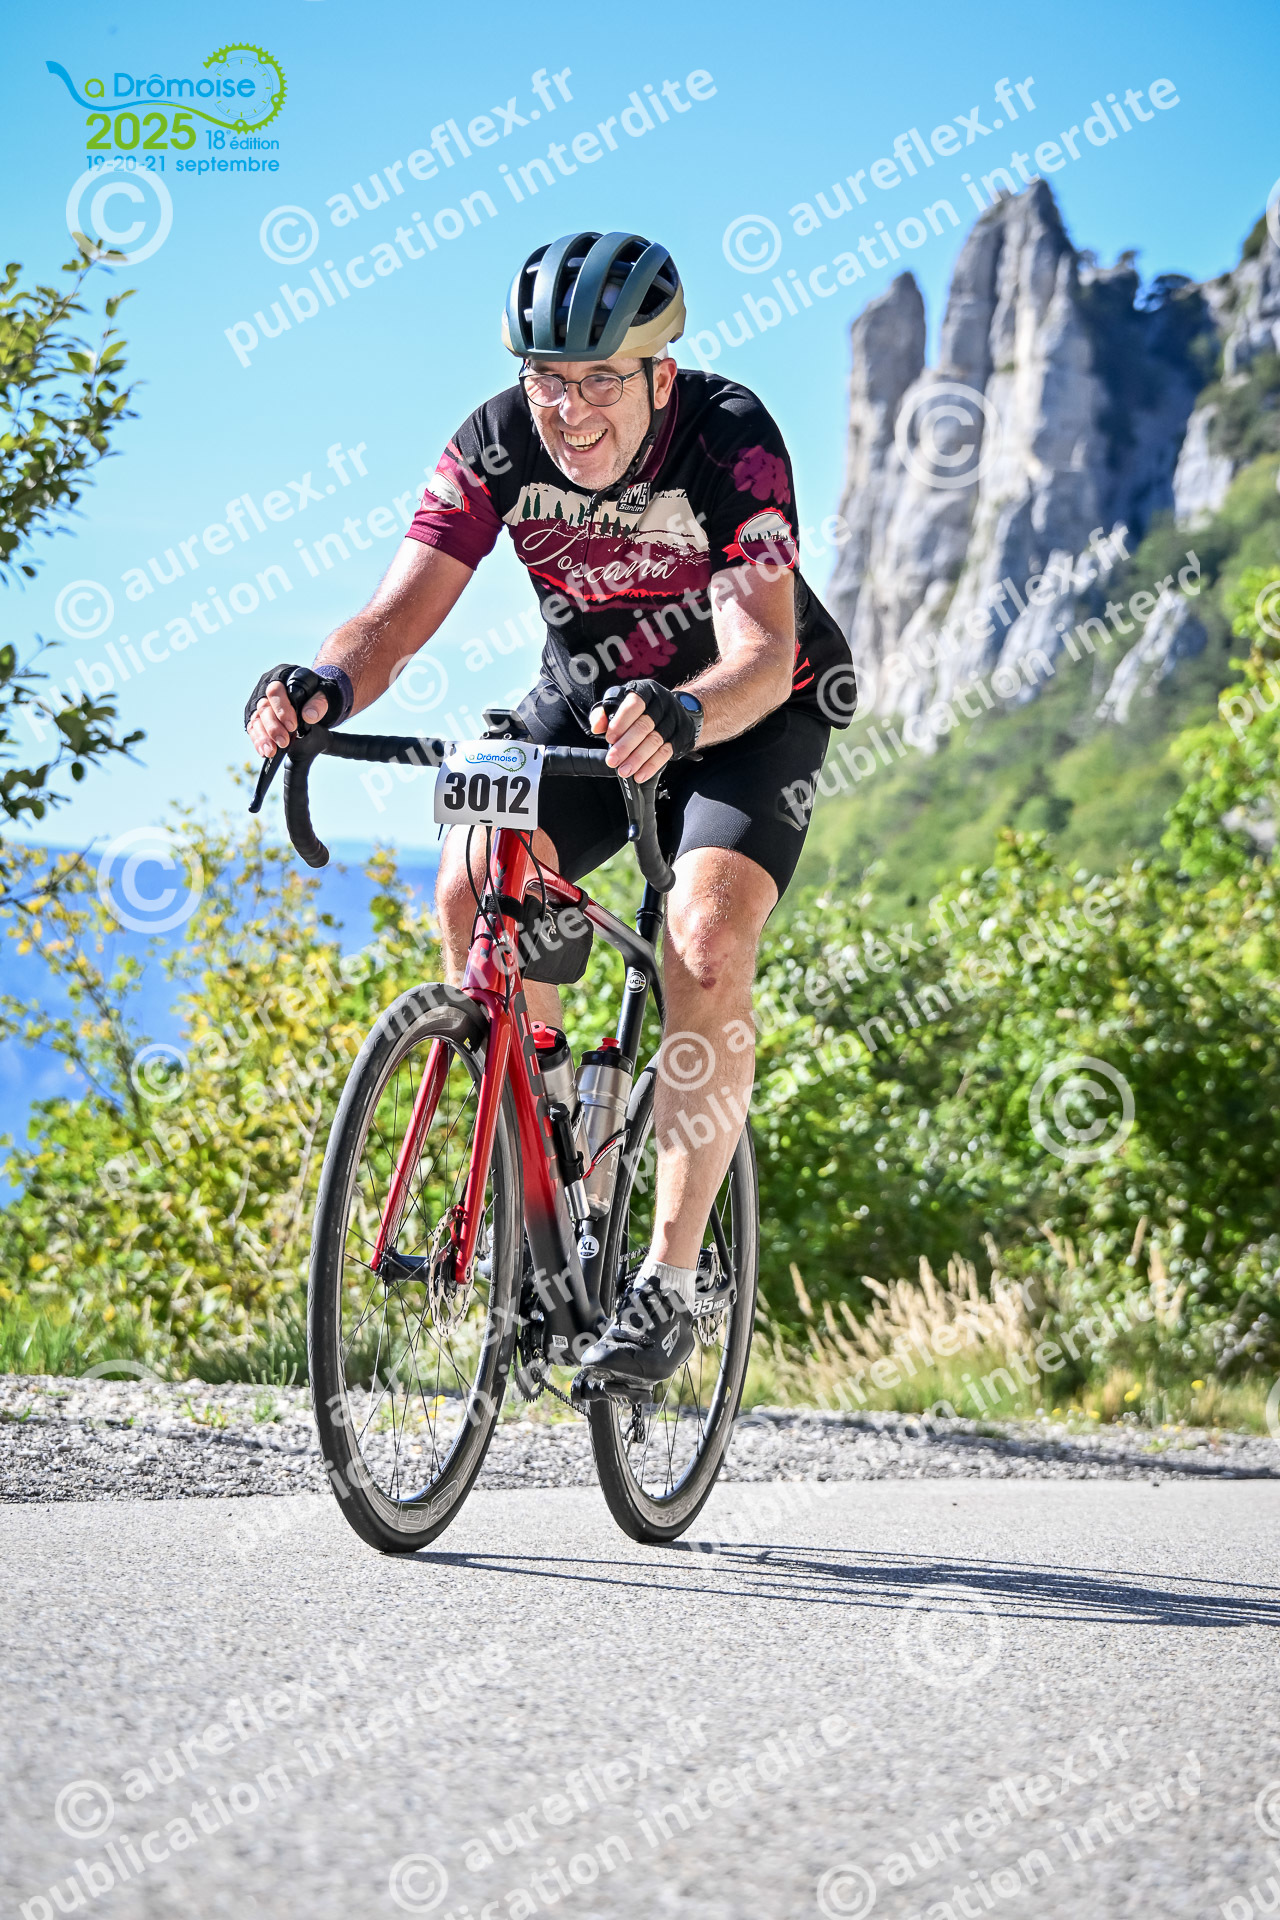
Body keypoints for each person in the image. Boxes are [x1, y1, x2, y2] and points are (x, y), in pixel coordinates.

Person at [246, 229, 854, 1387]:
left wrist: (685, 710)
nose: (569, 412)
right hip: (584, 702)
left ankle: (667, 1283)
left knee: (704, 941)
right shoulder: (494, 442)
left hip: (744, 710)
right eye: (546, 379)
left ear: (658, 373)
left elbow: (761, 648)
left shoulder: (729, 437)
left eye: (599, 381)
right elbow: (391, 619)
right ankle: (555, 1161)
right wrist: (322, 685)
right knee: (473, 882)